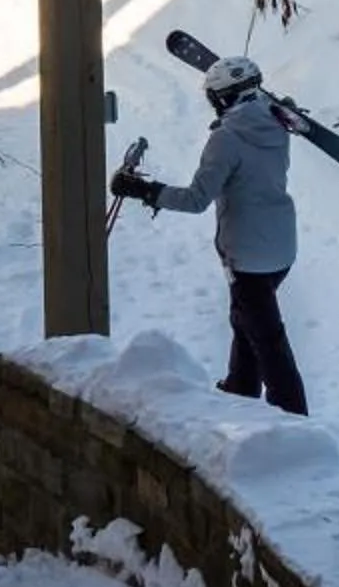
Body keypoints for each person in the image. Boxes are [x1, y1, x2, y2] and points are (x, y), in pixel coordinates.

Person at [112, 54, 309, 416]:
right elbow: (278, 109)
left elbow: (195, 200)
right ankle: (240, 390)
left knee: (268, 341)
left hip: (247, 255)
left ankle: (293, 417)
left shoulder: (227, 139)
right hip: (282, 248)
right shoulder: (279, 120)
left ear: (222, 98)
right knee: (246, 319)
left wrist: (145, 190)